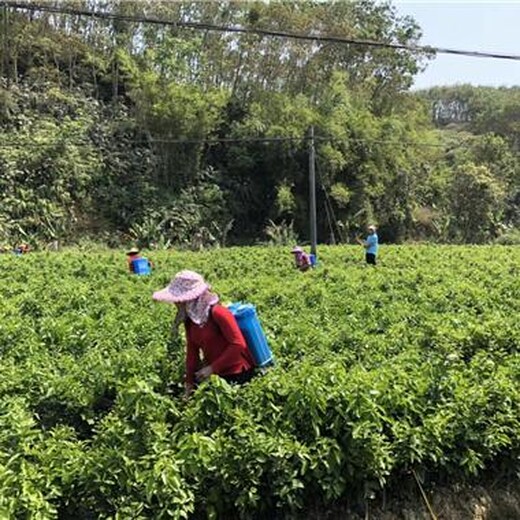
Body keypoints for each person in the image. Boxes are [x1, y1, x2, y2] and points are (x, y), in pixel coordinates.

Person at [152, 270, 255, 398]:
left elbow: (238, 344)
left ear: (191, 299)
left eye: (179, 300)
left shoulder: (218, 312)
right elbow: (192, 352)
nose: (176, 303)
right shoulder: (191, 320)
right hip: (216, 374)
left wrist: (212, 368)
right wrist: (189, 383)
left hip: (236, 373)